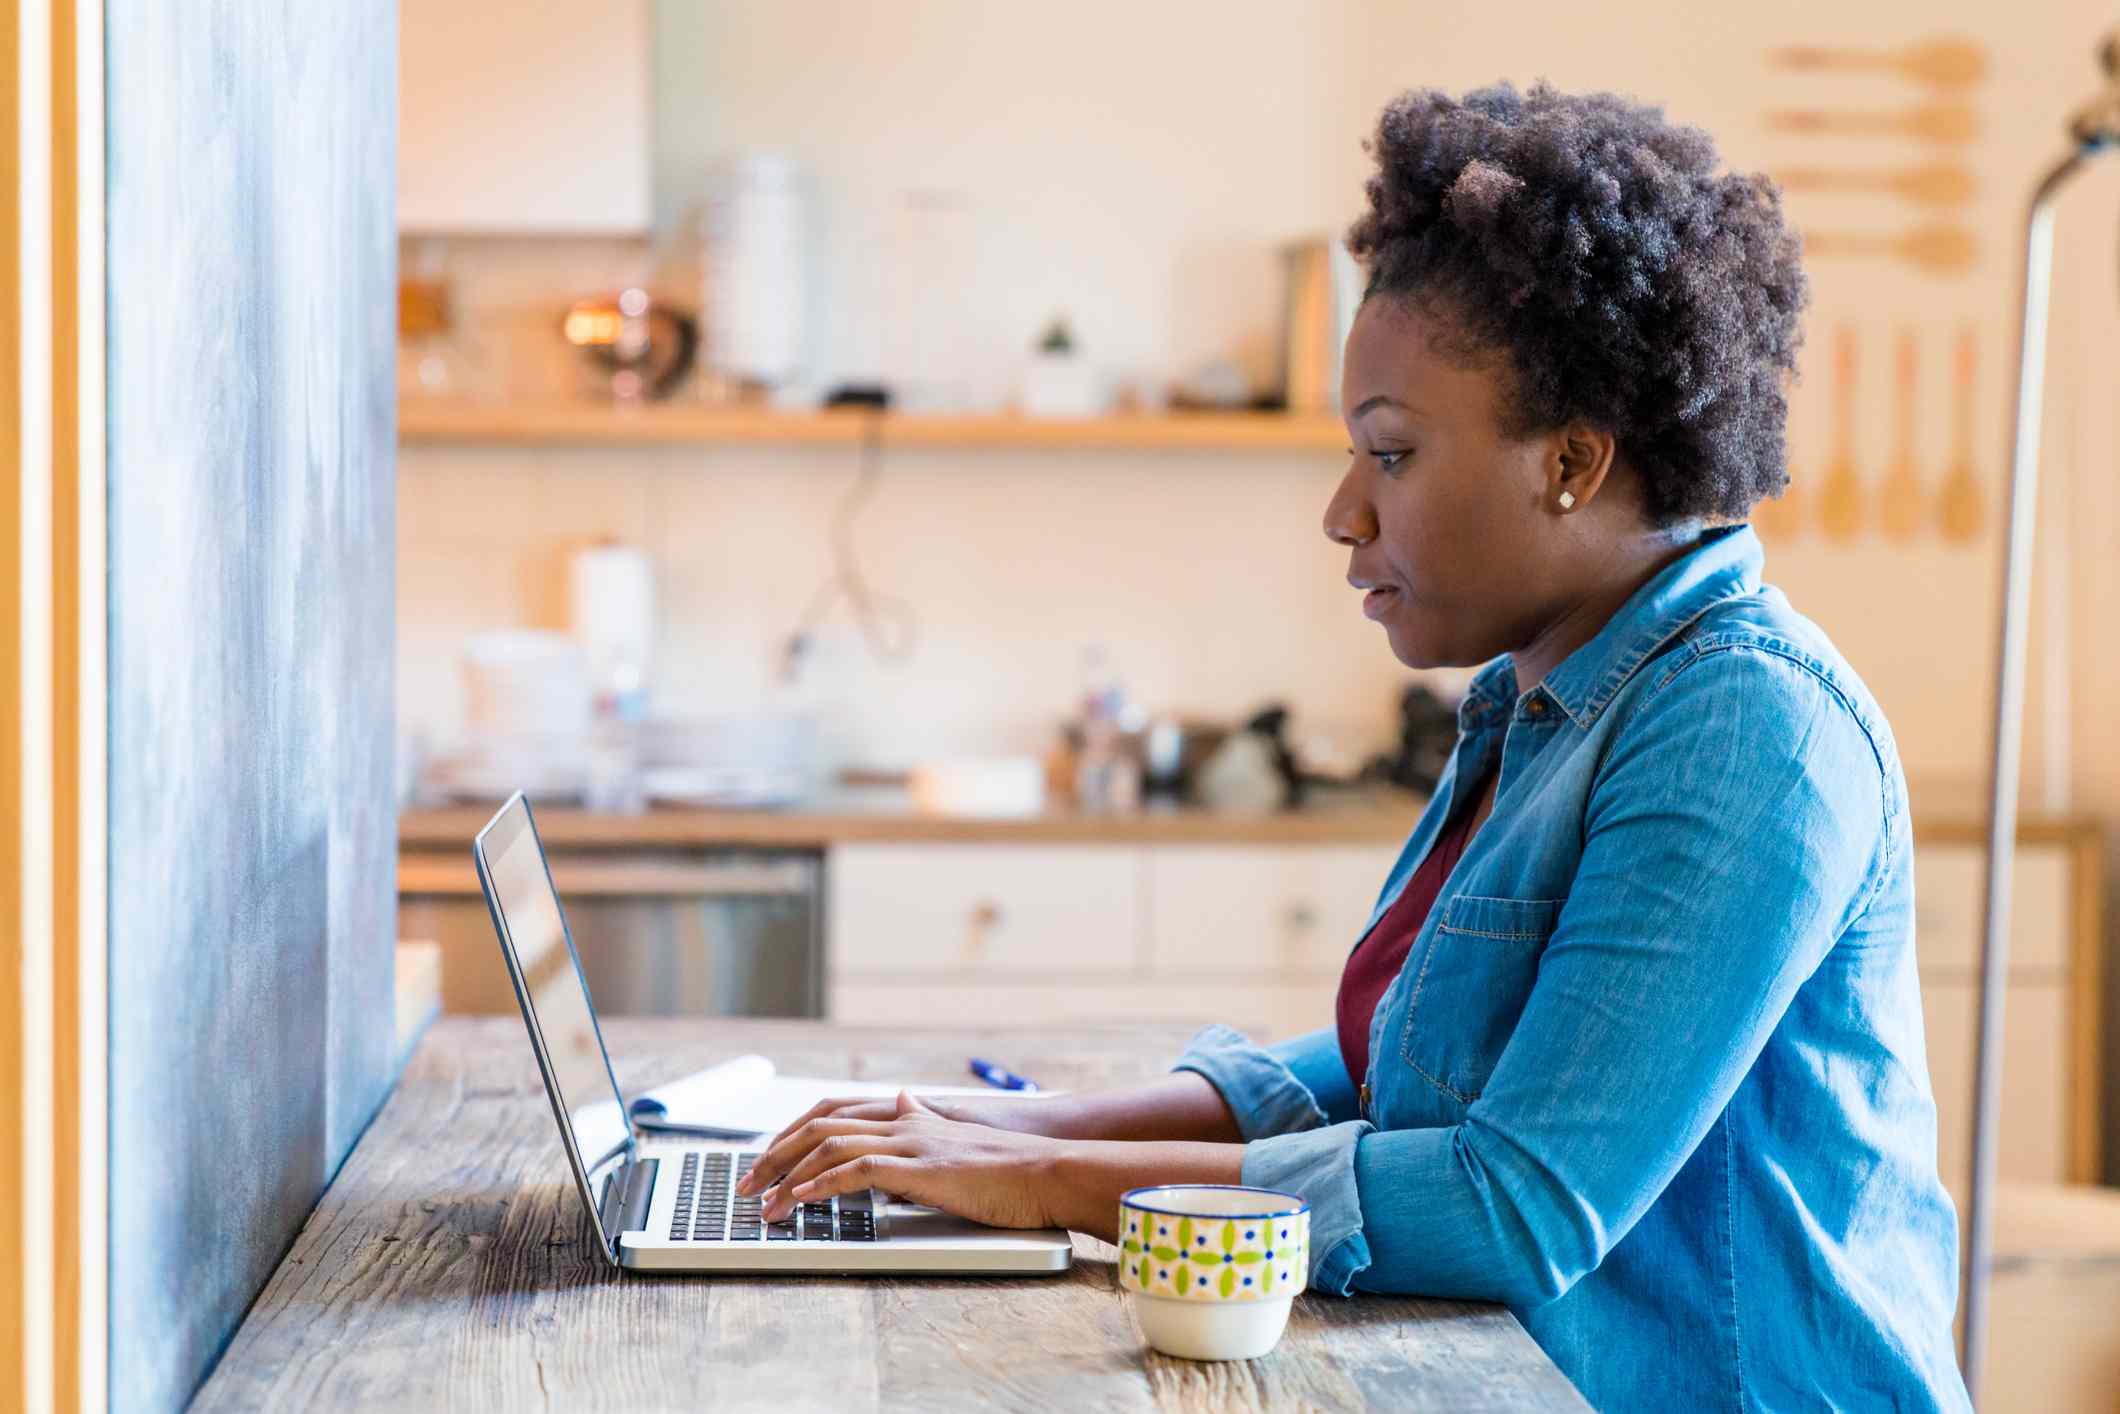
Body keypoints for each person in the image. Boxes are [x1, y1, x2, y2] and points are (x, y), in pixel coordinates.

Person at [735, 83, 1969, 1411]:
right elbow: (1395, 1066)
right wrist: (993, 1127)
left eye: (1390, 453)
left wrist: (1046, 1183)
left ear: (1571, 462)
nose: (1342, 512)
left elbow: (1512, 1201)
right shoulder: (1544, 697)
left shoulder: (1744, 729)